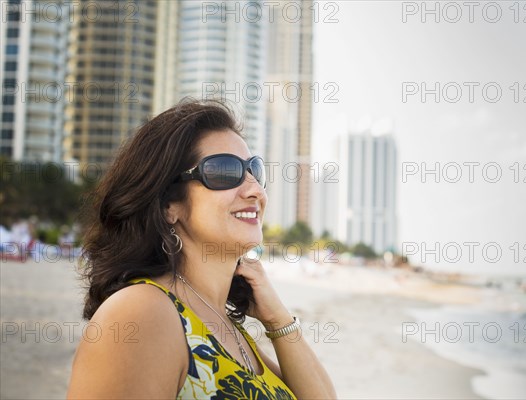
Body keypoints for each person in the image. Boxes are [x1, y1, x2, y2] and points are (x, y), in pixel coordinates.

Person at [67, 100, 337, 399]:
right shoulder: (142, 313)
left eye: (255, 171)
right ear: (169, 204)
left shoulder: (226, 326)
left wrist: (278, 319)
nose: (255, 190)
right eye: (224, 172)